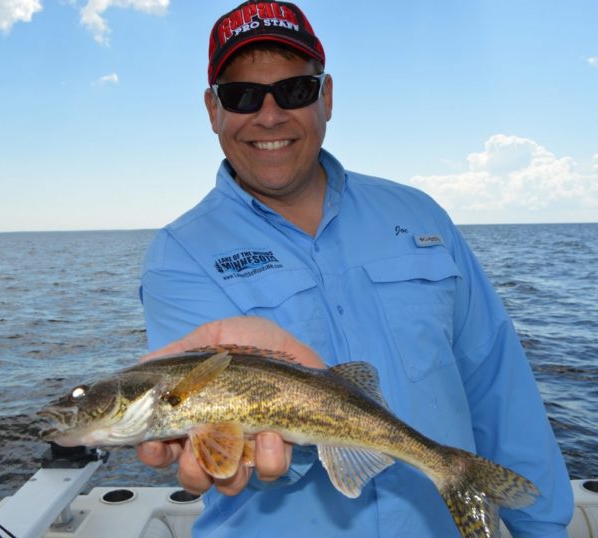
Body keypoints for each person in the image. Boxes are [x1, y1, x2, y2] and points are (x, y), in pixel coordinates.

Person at [137, 1, 573, 536]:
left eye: (295, 90)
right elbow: (231, 446)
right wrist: (252, 440)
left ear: (326, 97)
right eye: (242, 96)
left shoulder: (420, 216)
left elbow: (497, 382)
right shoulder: (179, 255)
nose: (269, 115)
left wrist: (542, 528)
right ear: (213, 110)